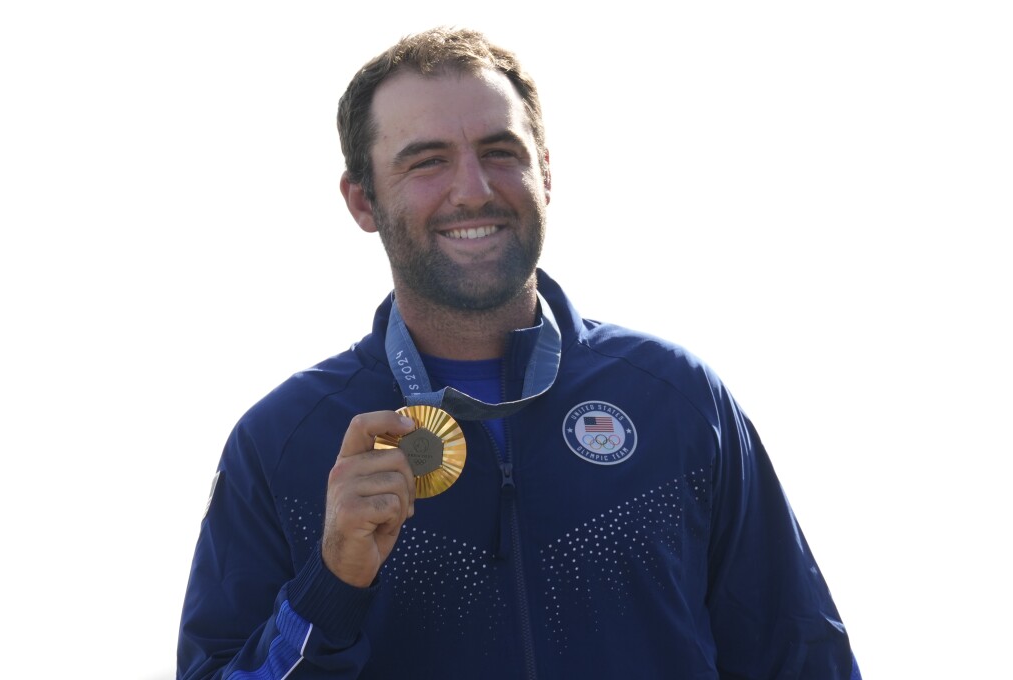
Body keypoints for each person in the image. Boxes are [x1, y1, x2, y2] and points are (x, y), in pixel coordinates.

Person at [176, 26, 861, 679]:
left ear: (547, 174)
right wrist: (330, 586)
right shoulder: (282, 445)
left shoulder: (677, 402)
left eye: (502, 152)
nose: (473, 188)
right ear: (362, 200)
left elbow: (804, 661)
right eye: (427, 161)